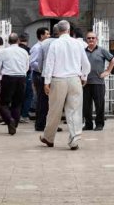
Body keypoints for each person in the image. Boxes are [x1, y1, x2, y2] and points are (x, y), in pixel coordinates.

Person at [40, 20, 90, 150]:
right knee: (74, 110)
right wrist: (84, 76)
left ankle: (49, 137)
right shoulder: (78, 44)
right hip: (74, 79)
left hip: (58, 80)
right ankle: (74, 139)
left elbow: (49, 64)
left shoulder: (55, 44)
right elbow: (85, 63)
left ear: (57, 30)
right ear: (68, 29)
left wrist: (47, 82)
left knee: (54, 111)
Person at [0, 33, 29, 134]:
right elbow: (27, 67)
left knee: (3, 103)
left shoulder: (4, 52)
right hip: (21, 78)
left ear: (8, 41)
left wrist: (4, 72)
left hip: (8, 78)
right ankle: (15, 123)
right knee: (17, 103)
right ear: (18, 40)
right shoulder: (24, 52)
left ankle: (9, 120)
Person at [83, 31, 114, 131]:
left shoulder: (102, 50)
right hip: (85, 83)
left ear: (96, 39)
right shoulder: (83, 51)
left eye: (93, 38)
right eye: (89, 38)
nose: (91, 40)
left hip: (98, 82)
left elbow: (113, 60)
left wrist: (107, 71)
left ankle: (99, 124)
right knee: (86, 106)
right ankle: (88, 124)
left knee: (99, 105)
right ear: (86, 40)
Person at [33, 26, 57, 132]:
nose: (48, 35)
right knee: (46, 101)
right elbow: (35, 62)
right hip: (47, 75)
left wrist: (44, 72)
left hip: (44, 75)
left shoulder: (45, 44)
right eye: (46, 34)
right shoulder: (38, 46)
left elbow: (40, 62)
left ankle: (43, 123)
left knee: (45, 101)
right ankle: (42, 124)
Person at [18, 32, 34, 123]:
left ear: (19, 39)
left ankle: (18, 114)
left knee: (19, 95)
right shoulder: (29, 50)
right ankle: (24, 115)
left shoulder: (16, 49)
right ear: (27, 40)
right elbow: (30, 64)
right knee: (28, 95)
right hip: (26, 75)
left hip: (16, 74)